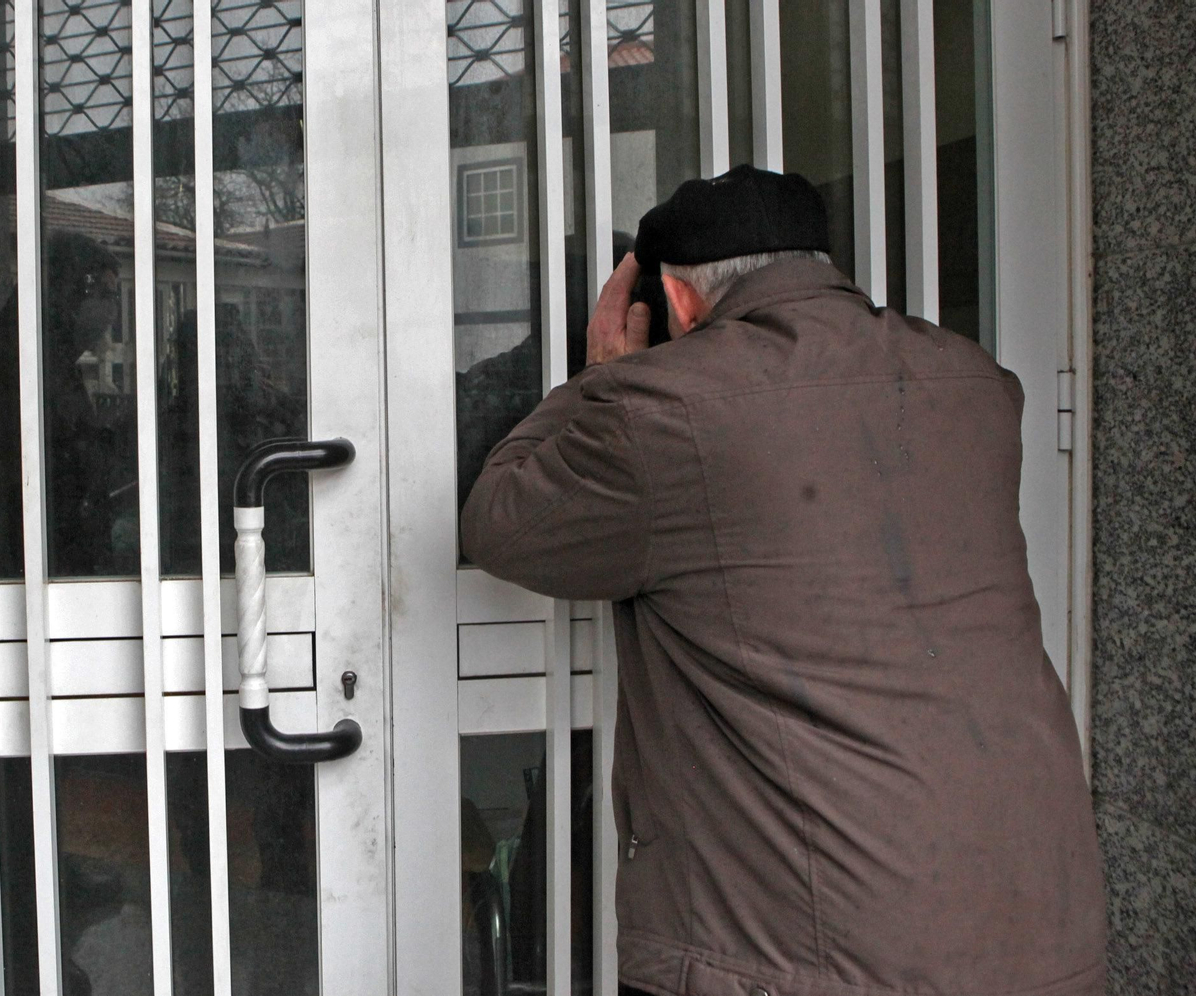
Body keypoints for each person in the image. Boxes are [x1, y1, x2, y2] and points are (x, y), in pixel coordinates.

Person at [460, 165, 1108, 996]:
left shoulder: (662, 411)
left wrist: (603, 377)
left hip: (815, 951)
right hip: (1041, 920)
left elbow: (501, 524)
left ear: (678, 301)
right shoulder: (977, 383)